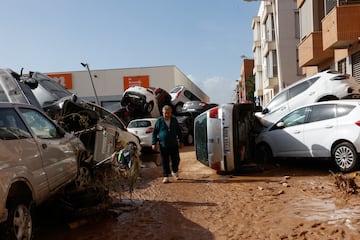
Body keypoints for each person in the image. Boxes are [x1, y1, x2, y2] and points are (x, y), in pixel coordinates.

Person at [152, 105, 184, 183]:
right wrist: (154, 143)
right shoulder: (159, 121)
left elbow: (178, 131)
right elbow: (155, 132)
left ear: (171, 113)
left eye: (168, 113)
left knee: (176, 159)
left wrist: (181, 141)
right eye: (165, 113)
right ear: (162, 113)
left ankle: (175, 171)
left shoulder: (174, 120)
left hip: (173, 144)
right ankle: (166, 176)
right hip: (163, 145)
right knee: (165, 161)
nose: (167, 115)